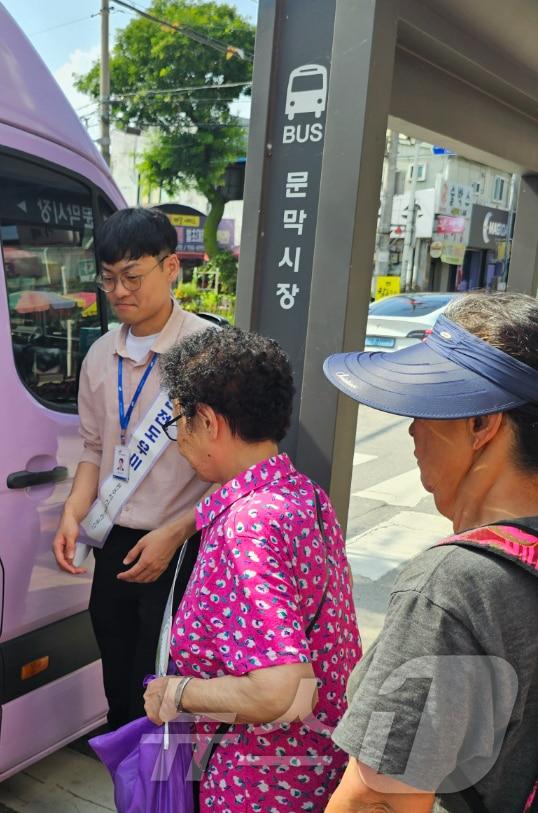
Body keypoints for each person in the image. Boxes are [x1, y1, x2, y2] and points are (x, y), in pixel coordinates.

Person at [325, 292, 538, 813]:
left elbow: (376, 800)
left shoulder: (454, 585)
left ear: (482, 425)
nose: (412, 428)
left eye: (428, 407)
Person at [143, 326, 362, 812]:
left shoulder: (247, 527)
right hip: (313, 768)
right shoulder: (300, 494)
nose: (178, 437)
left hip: (257, 784)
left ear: (208, 422)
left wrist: (177, 691)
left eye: (179, 420)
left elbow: (285, 690)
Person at [52, 207, 212, 729]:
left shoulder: (209, 353)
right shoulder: (99, 356)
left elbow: (240, 474)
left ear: (171, 269)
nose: (119, 291)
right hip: (116, 544)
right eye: (108, 279)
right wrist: (73, 514)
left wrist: (175, 533)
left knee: (166, 695)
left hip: (184, 548)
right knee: (119, 691)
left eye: (132, 277)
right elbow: (95, 450)